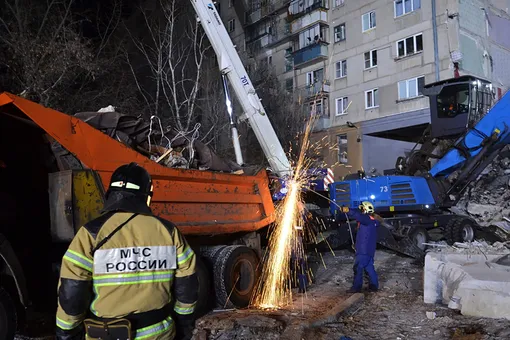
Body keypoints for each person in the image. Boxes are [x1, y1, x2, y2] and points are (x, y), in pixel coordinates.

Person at [56, 162, 198, 340]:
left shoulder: (90, 234)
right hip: (159, 334)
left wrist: (65, 332)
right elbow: (188, 284)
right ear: (146, 196)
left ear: (111, 194)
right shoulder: (169, 231)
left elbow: (72, 290)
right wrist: (184, 324)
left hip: (105, 335)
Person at [341, 201, 381, 293]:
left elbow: (357, 215)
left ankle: (356, 287)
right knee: (369, 268)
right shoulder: (372, 221)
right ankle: (374, 286)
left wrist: (348, 210)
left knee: (358, 268)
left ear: (366, 209)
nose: (361, 210)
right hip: (369, 250)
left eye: (362, 209)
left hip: (364, 251)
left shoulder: (366, 219)